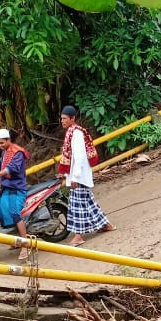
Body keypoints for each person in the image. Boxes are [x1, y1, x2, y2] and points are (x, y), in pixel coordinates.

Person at [57, 105, 114, 247]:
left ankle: (78, 236)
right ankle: (106, 225)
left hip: (79, 176)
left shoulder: (76, 134)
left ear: (72, 119)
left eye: (64, 118)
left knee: (78, 205)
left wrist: (75, 177)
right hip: (77, 175)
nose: (62, 121)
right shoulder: (71, 132)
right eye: (61, 118)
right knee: (88, 203)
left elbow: (80, 157)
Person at [0, 128, 31, 259]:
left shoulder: (18, 153)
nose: (0, 146)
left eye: (2, 143)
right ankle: (16, 240)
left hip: (17, 188)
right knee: (4, 215)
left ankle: (25, 245)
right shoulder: (5, 152)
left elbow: (11, 168)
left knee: (15, 214)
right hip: (7, 188)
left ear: (8, 140)